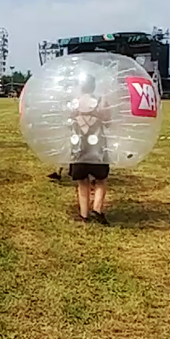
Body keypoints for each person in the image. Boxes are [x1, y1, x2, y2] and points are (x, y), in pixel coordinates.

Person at [68, 73, 111, 226]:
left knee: (82, 182)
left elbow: (68, 119)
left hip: (78, 146)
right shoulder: (100, 101)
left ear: (81, 86)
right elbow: (108, 121)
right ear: (93, 86)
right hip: (97, 147)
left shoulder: (75, 102)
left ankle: (84, 215)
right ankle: (97, 210)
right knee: (101, 180)